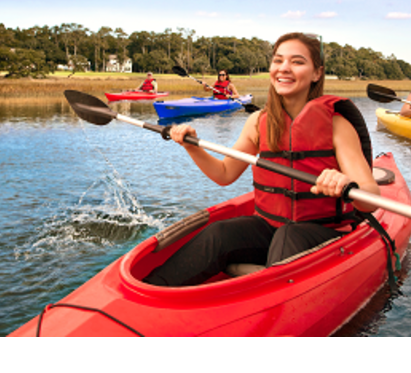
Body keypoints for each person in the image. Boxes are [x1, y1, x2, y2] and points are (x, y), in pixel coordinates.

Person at [143, 33, 380, 287]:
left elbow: (370, 198)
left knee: (289, 235)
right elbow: (225, 174)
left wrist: (346, 184)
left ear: (316, 73)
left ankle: (267, 312)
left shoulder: (336, 124)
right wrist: (192, 147)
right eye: (278, 61)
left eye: (297, 62)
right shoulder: (258, 122)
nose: (284, 68)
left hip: (324, 233)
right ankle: (149, 293)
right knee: (219, 232)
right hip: (270, 227)